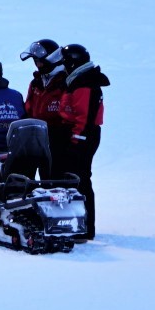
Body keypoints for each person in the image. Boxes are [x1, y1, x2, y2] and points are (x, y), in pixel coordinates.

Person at [53, 43, 106, 241]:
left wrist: (76, 140)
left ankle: (86, 227)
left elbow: (84, 117)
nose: (64, 67)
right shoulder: (78, 81)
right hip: (77, 134)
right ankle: (75, 223)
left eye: (66, 63)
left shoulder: (85, 84)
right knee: (73, 179)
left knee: (81, 179)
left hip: (83, 135)